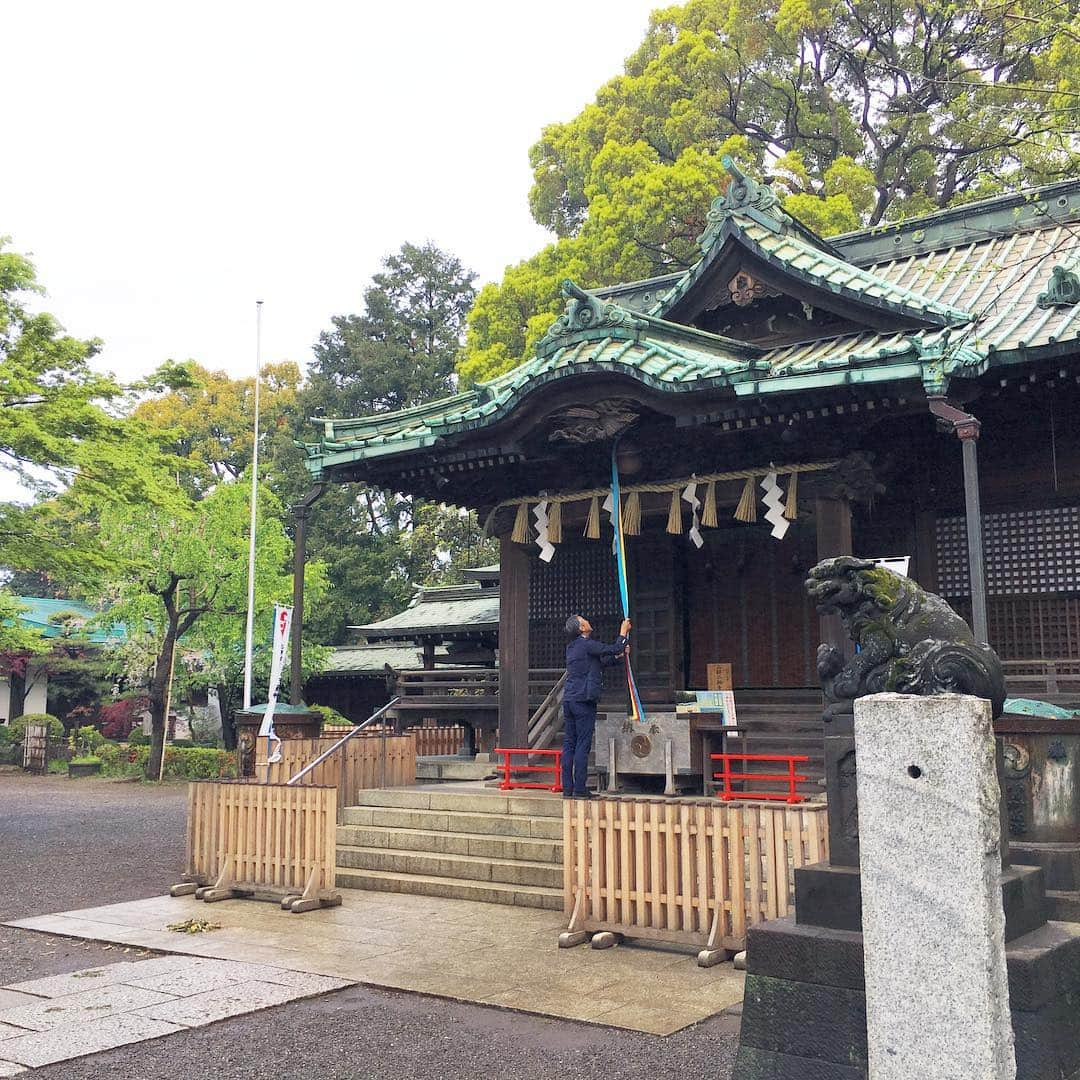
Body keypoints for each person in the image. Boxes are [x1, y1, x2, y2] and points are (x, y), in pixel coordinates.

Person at [561, 614, 631, 798]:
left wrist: (620, 656)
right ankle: (579, 789)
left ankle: (568, 788)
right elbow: (613, 648)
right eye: (584, 620)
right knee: (582, 744)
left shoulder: (573, 648)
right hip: (583, 700)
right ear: (582, 628)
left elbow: (599, 663)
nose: (588, 621)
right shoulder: (586, 644)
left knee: (569, 744)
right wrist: (623, 633)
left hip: (569, 698)